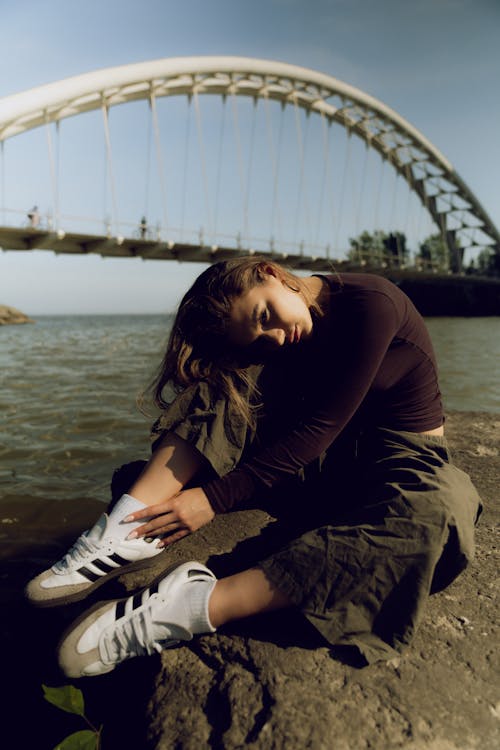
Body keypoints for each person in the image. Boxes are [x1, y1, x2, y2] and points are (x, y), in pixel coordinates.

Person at [26, 257, 482, 678]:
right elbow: (296, 427)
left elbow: (320, 428)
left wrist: (211, 500)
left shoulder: (373, 303)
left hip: (396, 463)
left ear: (271, 272)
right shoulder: (282, 337)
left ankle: (191, 604)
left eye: (264, 316)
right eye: (262, 333)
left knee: (440, 512)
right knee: (229, 377)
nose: (277, 336)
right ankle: (126, 529)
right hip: (321, 469)